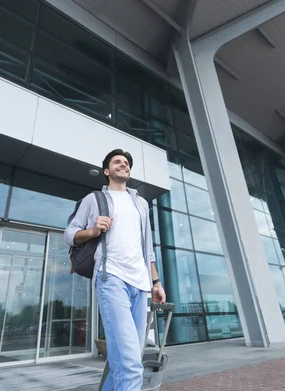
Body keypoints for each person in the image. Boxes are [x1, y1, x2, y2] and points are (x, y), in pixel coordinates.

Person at [64, 148, 166, 390]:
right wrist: (92, 231)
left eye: (126, 162)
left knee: (124, 361)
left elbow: (147, 248)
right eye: (117, 161)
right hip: (111, 279)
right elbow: (69, 234)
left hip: (140, 285)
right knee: (131, 365)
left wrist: (156, 283)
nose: (123, 164)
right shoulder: (94, 200)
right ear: (107, 171)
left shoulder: (141, 204)